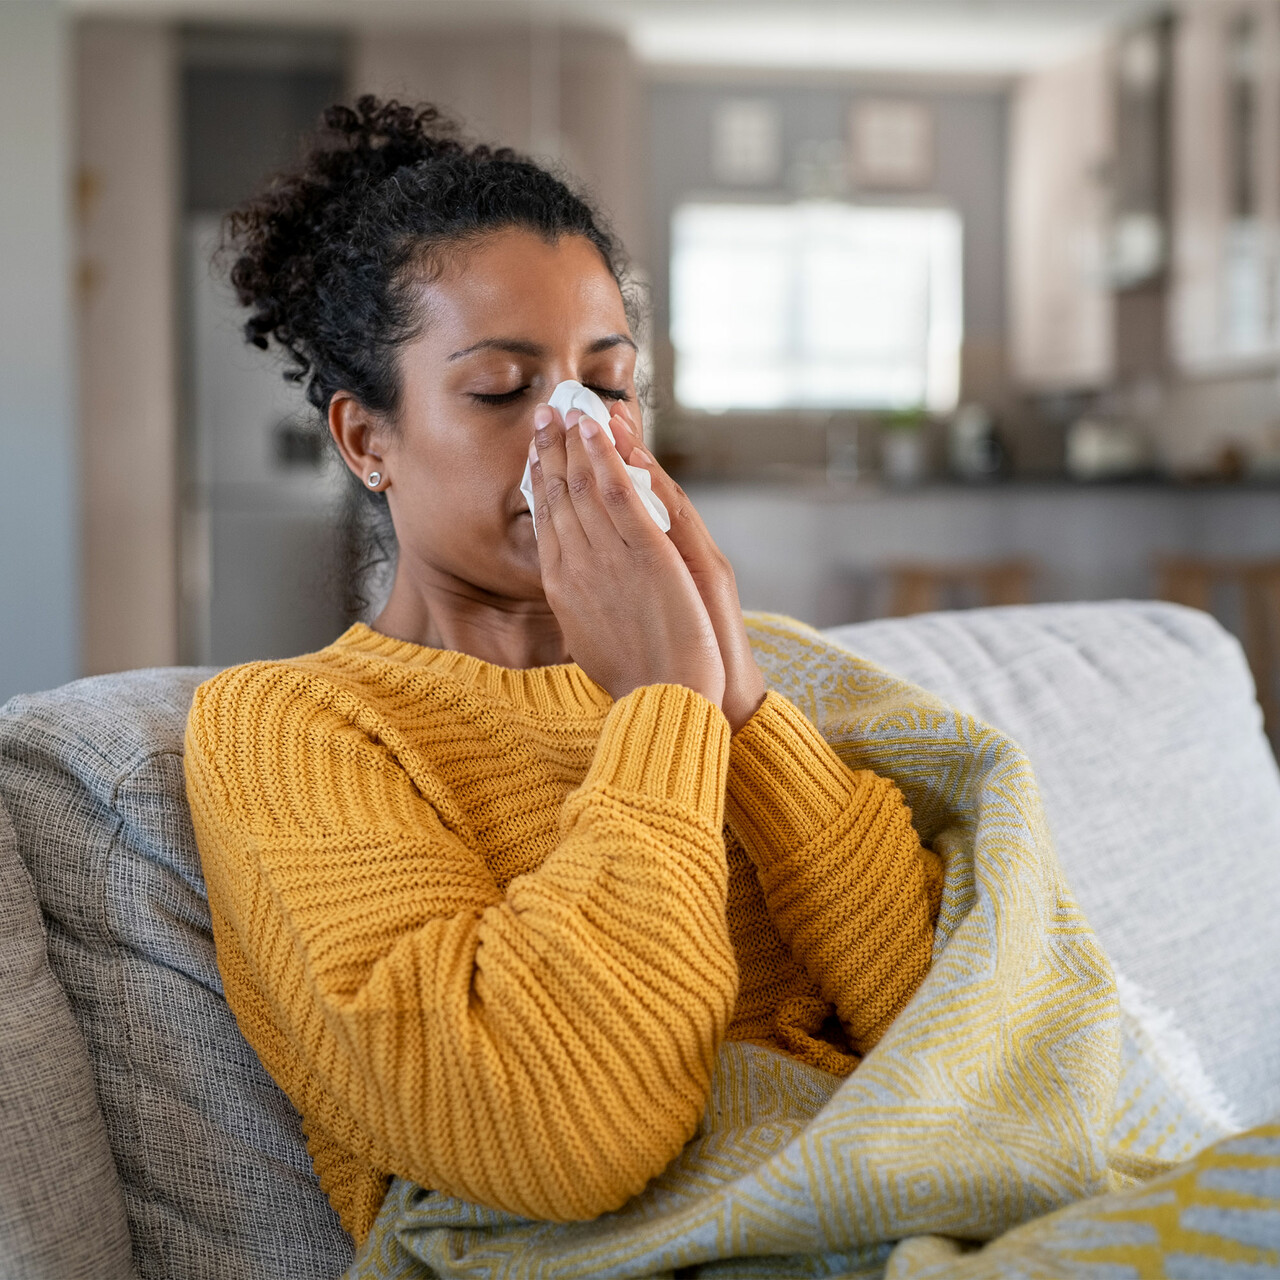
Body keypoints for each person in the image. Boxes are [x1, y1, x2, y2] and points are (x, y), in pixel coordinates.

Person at [183, 96, 943, 1248]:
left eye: (612, 382)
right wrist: (666, 710)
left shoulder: (741, 672)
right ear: (365, 439)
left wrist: (735, 702)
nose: (576, 432)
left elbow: (961, 1026)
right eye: (501, 389)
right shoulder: (293, 727)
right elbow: (553, 1129)